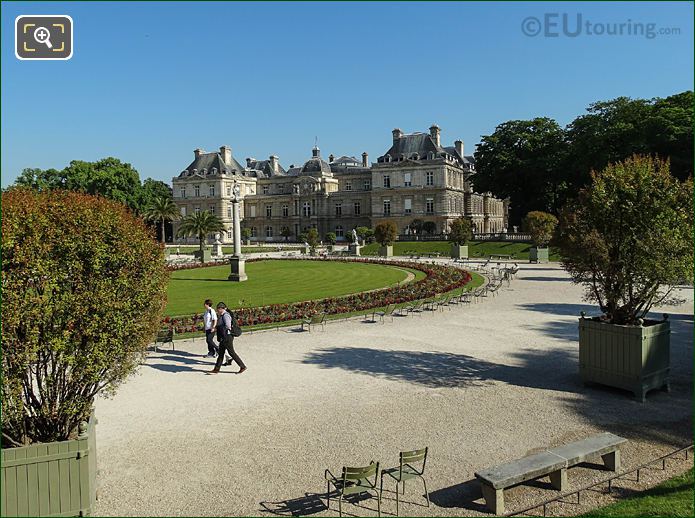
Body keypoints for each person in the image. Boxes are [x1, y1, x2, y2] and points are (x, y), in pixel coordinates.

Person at [208, 302, 247, 375]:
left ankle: (242, 366)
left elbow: (228, 326)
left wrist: (220, 329)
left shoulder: (226, 315)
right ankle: (216, 369)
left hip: (227, 337)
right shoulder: (222, 315)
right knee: (221, 353)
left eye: (218, 309)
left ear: (222, 309)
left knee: (231, 352)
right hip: (224, 337)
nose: (217, 310)